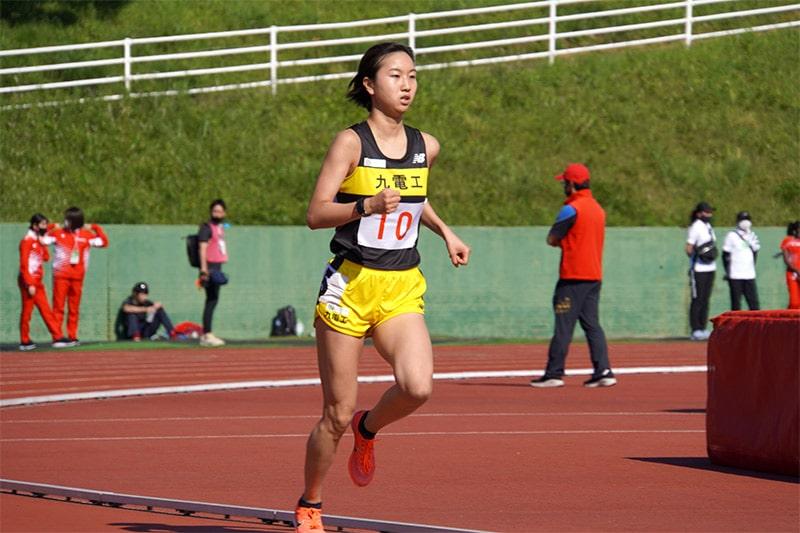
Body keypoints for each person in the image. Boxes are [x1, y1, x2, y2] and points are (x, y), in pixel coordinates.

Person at [294, 42, 471, 532]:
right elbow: (315, 214)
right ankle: (310, 503)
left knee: (417, 387)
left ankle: (368, 428)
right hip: (350, 287)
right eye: (395, 75)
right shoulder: (350, 144)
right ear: (370, 85)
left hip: (401, 285)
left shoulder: (426, 145)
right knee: (335, 413)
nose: (407, 85)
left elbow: (415, 195)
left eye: (412, 75)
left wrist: (445, 231)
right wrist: (364, 206)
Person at [530, 163, 616, 389]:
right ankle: (603, 370)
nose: (563, 187)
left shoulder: (571, 209)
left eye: (565, 183)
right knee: (592, 325)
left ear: (571, 184)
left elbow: (552, 238)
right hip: (594, 276)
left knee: (563, 326)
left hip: (573, 276)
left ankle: (554, 373)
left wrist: (566, 243)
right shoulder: (598, 209)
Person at [48, 206, 108, 344]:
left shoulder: (87, 236)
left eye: (67, 219)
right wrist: (53, 226)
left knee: (74, 308)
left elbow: (104, 242)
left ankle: (72, 336)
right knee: (58, 307)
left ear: (75, 221)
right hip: (61, 276)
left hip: (78, 278)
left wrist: (95, 227)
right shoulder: (58, 233)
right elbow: (42, 239)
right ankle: (57, 336)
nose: (65, 221)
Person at [17, 214, 75, 351]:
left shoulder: (38, 240)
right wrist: (29, 283)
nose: (45, 227)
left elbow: (46, 257)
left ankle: (57, 337)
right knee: (27, 311)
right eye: (42, 224)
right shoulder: (27, 241)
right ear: (35, 226)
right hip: (28, 280)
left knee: (46, 310)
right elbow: (24, 265)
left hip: (38, 281)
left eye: (45, 224)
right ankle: (24, 341)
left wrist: (44, 241)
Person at [197, 199, 228, 347]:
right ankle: (207, 334)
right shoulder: (206, 228)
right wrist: (204, 269)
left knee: (213, 299)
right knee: (211, 300)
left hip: (217, 266)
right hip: (210, 267)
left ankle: (207, 333)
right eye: (215, 211)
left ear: (224, 213)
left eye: (220, 211)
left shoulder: (219, 227)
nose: (217, 214)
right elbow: (202, 248)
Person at [685, 202, 716, 340]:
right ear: (699, 213)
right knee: (697, 299)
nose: (709, 214)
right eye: (706, 212)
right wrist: (698, 255)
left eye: (710, 212)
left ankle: (703, 328)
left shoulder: (708, 226)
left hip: (710, 267)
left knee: (705, 299)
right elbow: (688, 248)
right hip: (699, 269)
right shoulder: (696, 227)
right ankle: (695, 329)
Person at [722, 211, 760, 310]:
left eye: (747, 219)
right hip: (735, 275)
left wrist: (752, 267)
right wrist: (728, 271)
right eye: (743, 220)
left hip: (749, 275)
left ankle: (755, 321)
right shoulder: (731, 235)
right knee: (736, 305)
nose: (745, 222)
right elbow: (725, 255)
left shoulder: (752, 235)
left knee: (754, 304)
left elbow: (755, 252)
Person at [780, 220, 800, 309]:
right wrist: (796, 270)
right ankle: (789, 316)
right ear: (795, 230)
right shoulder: (787, 240)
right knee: (794, 302)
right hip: (792, 273)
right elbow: (786, 259)